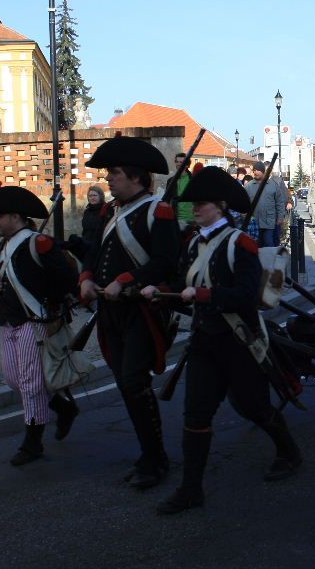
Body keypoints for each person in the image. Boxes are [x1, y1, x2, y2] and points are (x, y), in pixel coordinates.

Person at [144, 166, 302, 514]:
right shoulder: (192, 244)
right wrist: (162, 292)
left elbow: (245, 296)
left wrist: (201, 295)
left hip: (240, 341)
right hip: (204, 341)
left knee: (253, 407)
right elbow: (180, 282)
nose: (195, 209)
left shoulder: (240, 243)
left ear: (219, 205)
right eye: (194, 204)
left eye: (201, 204)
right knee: (196, 413)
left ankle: (289, 451)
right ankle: (190, 489)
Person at [79, 135, 181, 490]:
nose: (108, 180)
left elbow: (168, 262)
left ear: (135, 177)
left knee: (135, 383)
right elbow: (95, 252)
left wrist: (126, 279)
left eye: (115, 174)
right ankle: (148, 452)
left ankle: (155, 458)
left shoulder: (158, 211)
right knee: (124, 383)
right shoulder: (110, 212)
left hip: (142, 311)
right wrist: (87, 277)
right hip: (111, 312)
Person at [0, 182, 78, 465]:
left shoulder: (38, 244)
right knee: (13, 378)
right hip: (9, 321)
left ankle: (33, 443)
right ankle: (63, 407)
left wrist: (50, 300)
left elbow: (66, 280)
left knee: (31, 383)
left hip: (35, 322)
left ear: (16, 217)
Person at [245, 161, 285, 247]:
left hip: (269, 221)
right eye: (254, 170)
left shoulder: (273, 185)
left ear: (263, 171)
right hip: (254, 223)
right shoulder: (248, 186)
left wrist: (280, 217)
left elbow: (280, 202)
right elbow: (244, 203)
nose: (255, 172)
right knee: (256, 245)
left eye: (258, 170)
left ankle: (269, 260)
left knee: (268, 243)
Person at [81, 185, 106, 250]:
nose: (92, 198)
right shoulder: (87, 211)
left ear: (100, 196)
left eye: (95, 195)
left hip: (100, 246)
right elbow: (85, 230)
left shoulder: (106, 210)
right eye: (90, 196)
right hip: (86, 245)